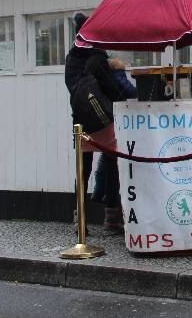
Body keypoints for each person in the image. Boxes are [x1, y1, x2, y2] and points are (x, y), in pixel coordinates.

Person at [65, 13, 124, 231]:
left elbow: (73, 90)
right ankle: (112, 218)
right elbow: (113, 89)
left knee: (83, 171)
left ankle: (79, 219)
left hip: (81, 122)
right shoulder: (98, 57)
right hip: (104, 121)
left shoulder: (71, 59)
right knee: (111, 168)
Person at [90, 57, 137, 223]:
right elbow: (131, 92)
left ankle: (97, 193)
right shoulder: (115, 74)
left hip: (93, 121)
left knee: (102, 159)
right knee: (111, 161)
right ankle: (110, 212)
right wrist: (120, 72)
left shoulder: (90, 72)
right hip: (112, 121)